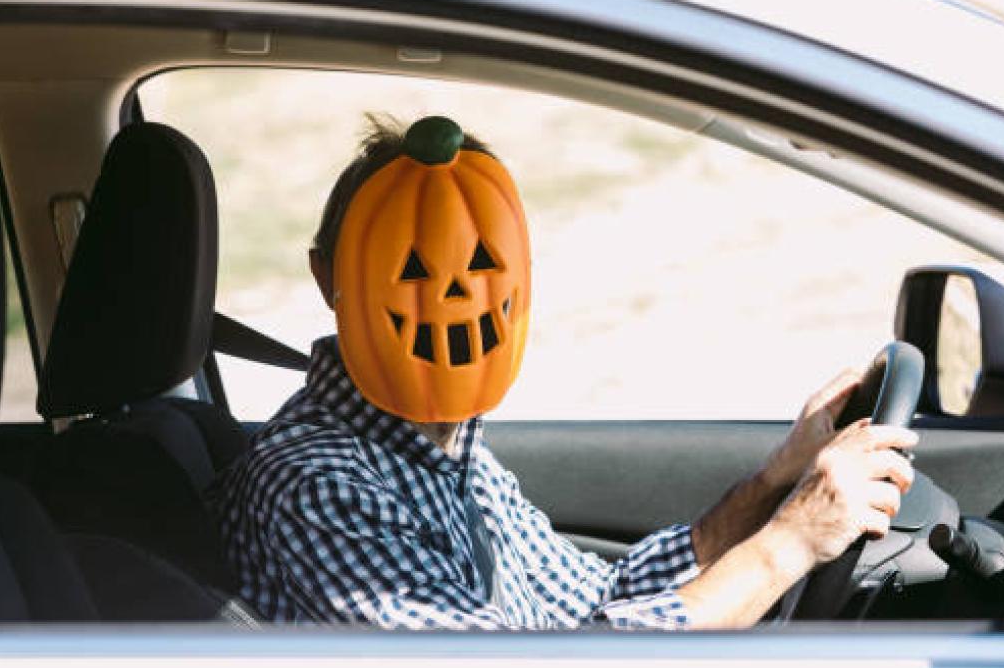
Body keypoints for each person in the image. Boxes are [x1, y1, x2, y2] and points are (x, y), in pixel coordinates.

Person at [221, 115, 917, 629]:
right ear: (327, 276)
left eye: (484, 264)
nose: (455, 296)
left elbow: (595, 599)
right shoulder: (315, 483)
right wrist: (788, 543)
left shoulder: (446, 446)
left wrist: (775, 485)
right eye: (412, 269)